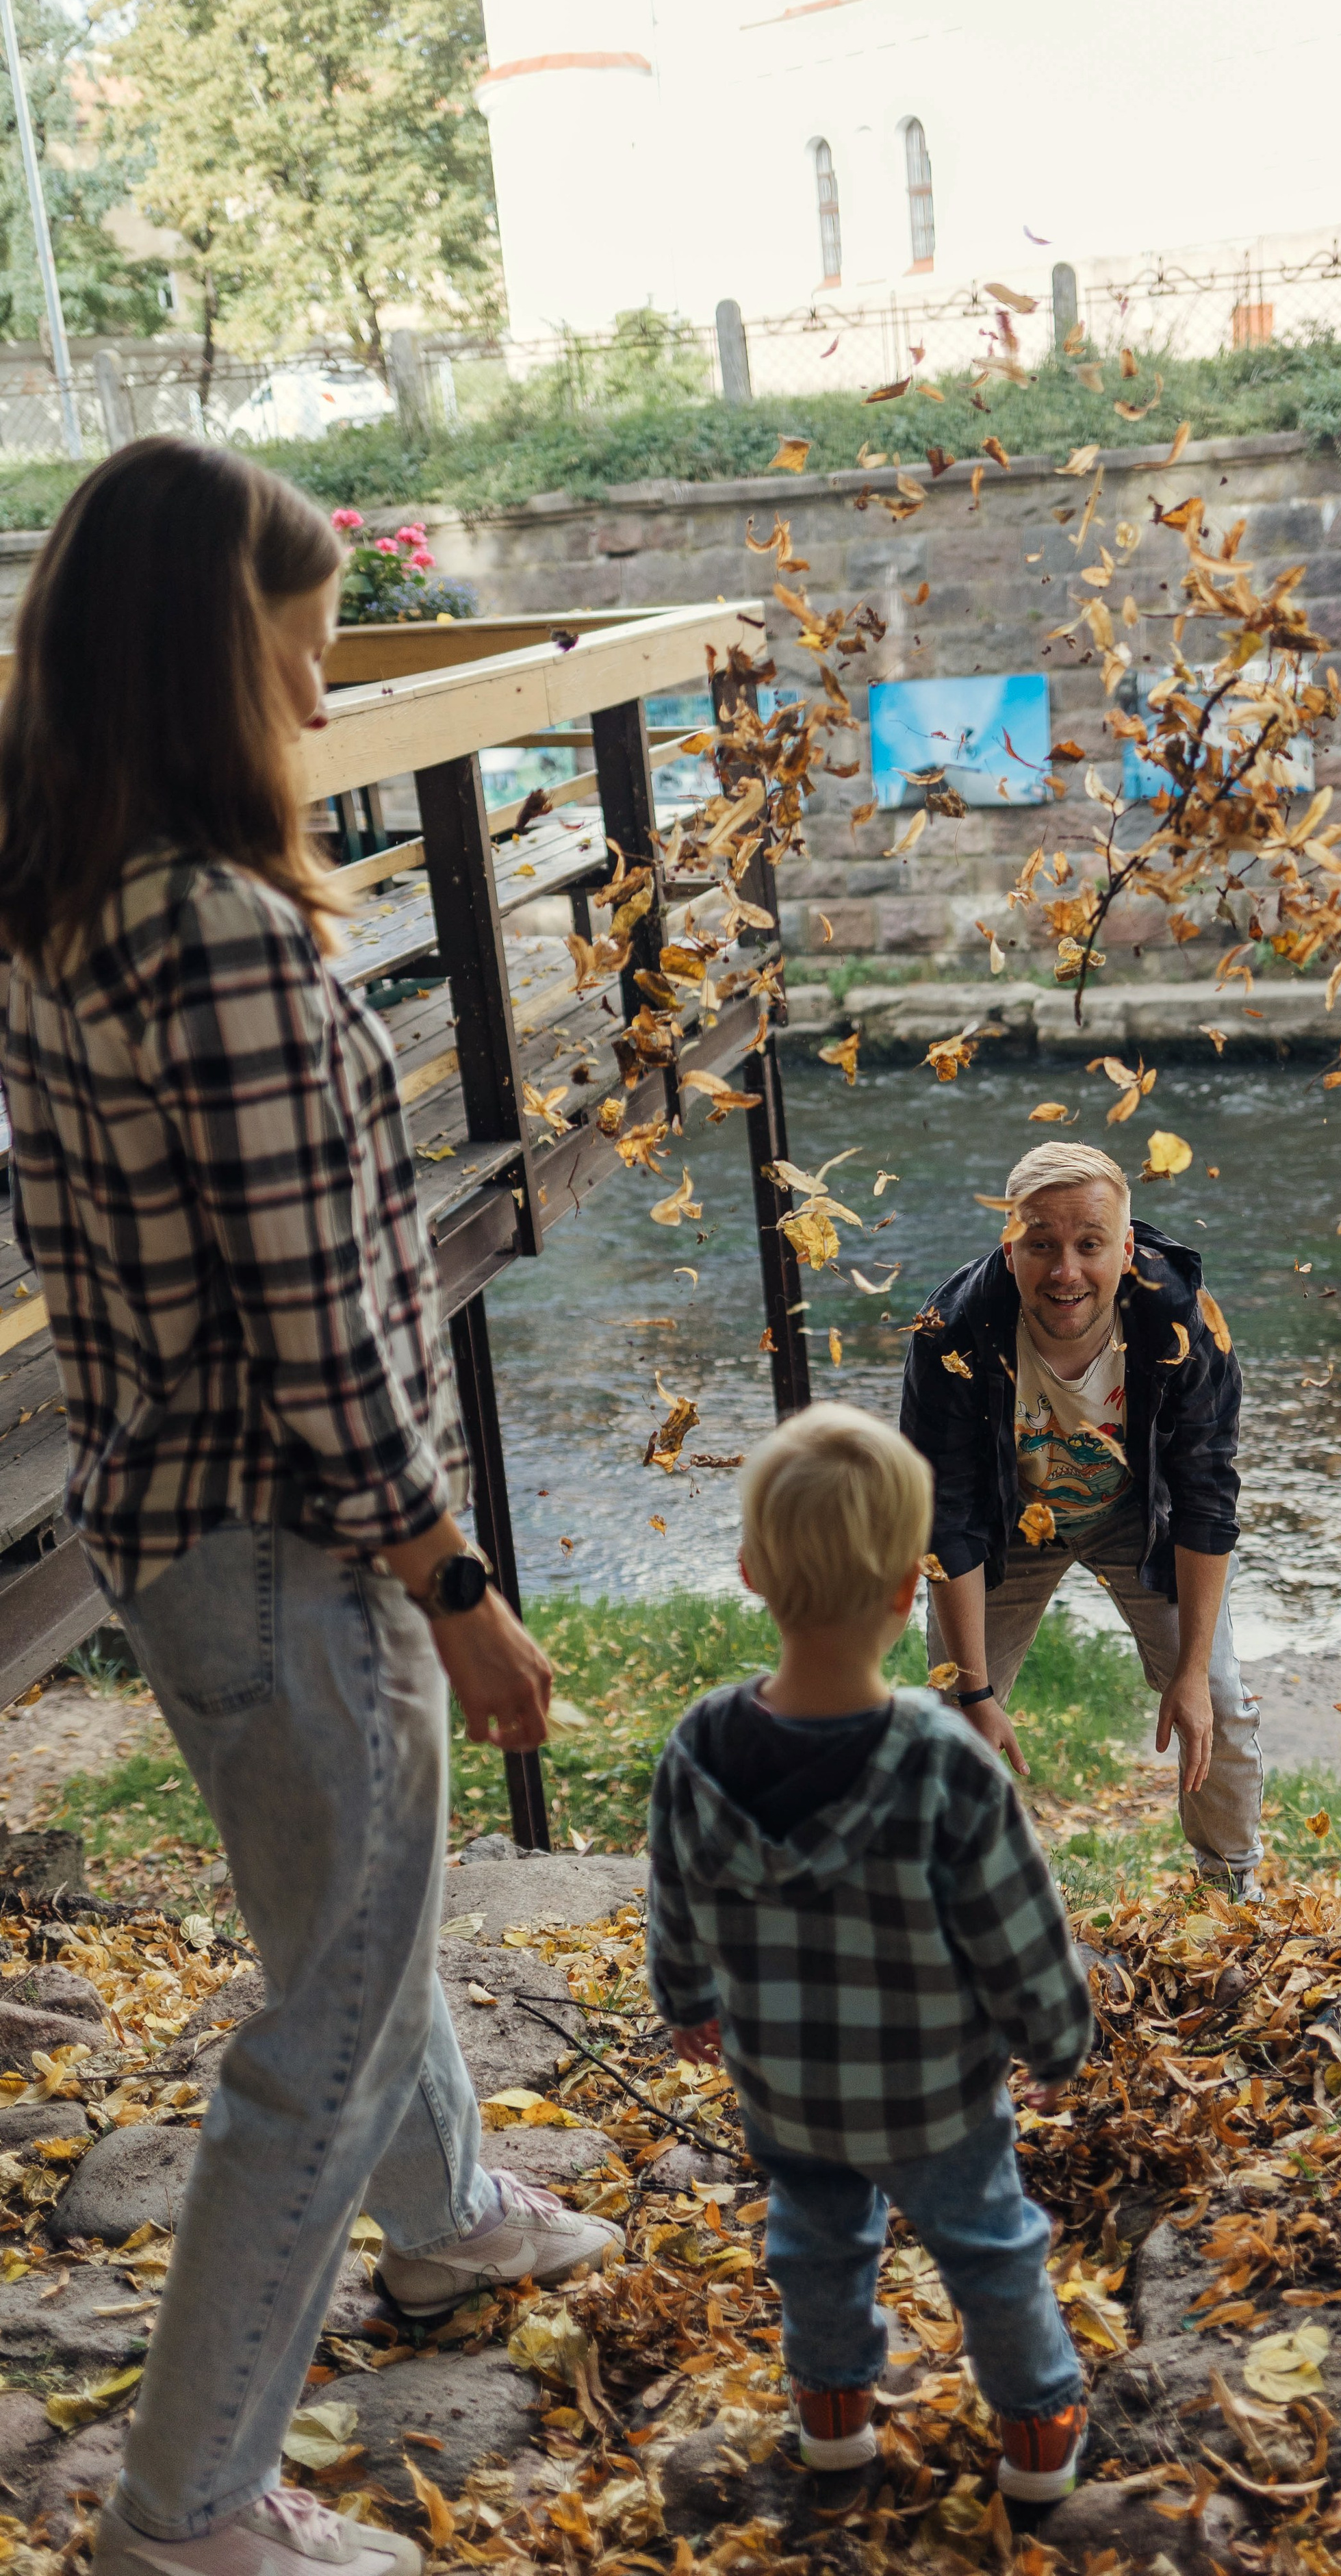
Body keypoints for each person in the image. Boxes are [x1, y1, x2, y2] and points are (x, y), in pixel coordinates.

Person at [0, 438, 621, 2576]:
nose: (330, 686)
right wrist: (454, 1578)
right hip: (289, 1542)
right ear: (214, 648)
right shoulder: (230, 941)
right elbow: (323, 1334)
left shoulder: (62, 904)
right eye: (308, 637)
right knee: (321, 2023)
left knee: (342, 1924)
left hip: (163, 1529)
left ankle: (448, 2218)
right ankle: (189, 2508)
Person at [644, 1404, 1095, 2504]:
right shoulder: (943, 1763)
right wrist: (1056, 2034)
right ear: (908, 1591)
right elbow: (1015, 1924)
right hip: (936, 2090)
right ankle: (1036, 2435)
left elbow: (677, 1895)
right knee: (988, 2242)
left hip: (788, 2086)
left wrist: (688, 1999)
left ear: (751, 1572)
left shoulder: (699, 1746)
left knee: (817, 2242)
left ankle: (833, 2415)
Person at [899, 1140, 1259, 1893]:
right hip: (1007, 1519)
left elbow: (1205, 1499)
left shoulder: (1183, 1327)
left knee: (1218, 1700)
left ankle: (1232, 1889)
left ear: (1124, 1249)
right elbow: (947, 1518)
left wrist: (1189, 1673)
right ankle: (947, 1902)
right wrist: (973, 1691)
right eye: (1041, 1245)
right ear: (1009, 1248)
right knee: (948, 1718)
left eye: (1089, 1245)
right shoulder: (951, 1334)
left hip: (1136, 1514)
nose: (1065, 1272)